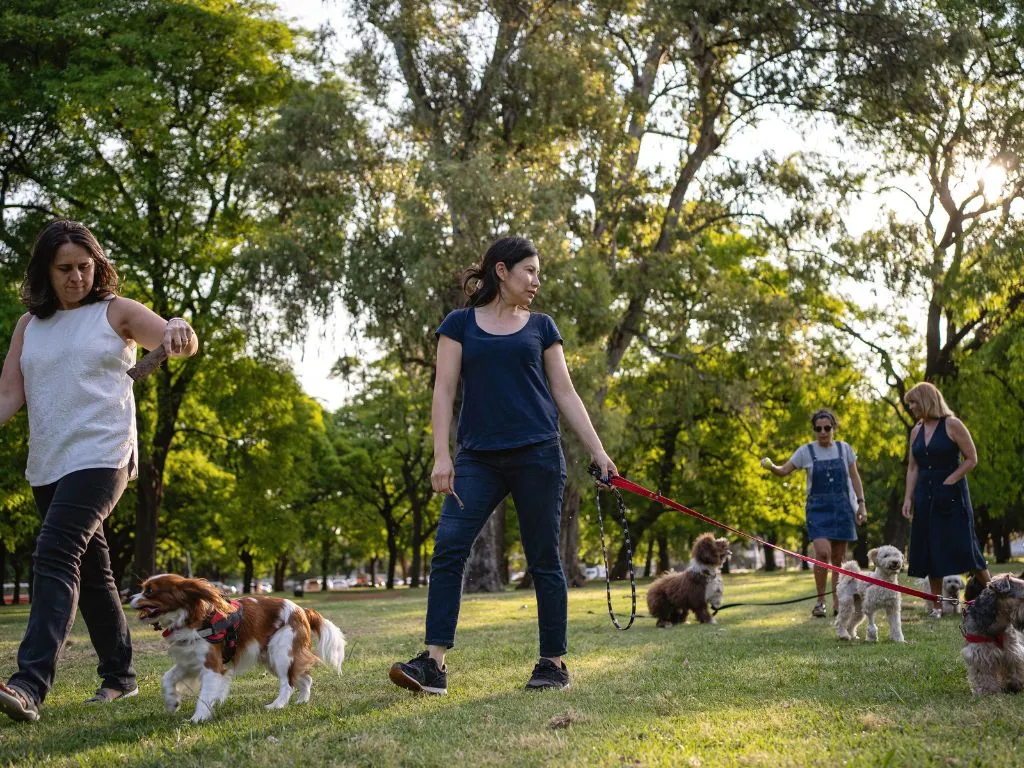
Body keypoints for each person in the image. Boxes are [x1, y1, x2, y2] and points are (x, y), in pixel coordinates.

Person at [388, 236, 616, 695]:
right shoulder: (459, 324)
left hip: (537, 453)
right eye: (529, 271)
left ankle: (552, 663)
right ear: (501, 271)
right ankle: (433, 665)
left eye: (538, 273)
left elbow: (565, 392)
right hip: (477, 458)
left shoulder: (542, 327)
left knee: (544, 559)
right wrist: (441, 455)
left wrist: (598, 451)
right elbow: (444, 392)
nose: (536, 281)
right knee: (450, 548)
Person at [0, 220, 198, 722]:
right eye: (64, 268)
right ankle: (120, 677)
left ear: (98, 266)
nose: (76, 277)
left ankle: (28, 684)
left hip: (103, 454)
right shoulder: (29, 326)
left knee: (55, 551)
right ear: (46, 271)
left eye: (84, 267)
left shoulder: (117, 313)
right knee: (92, 571)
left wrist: (178, 327)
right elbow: (8, 395)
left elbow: (179, 339)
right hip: (49, 461)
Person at [760, 408, 867, 618]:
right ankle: (820, 601)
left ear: (833, 428)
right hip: (817, 509)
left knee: (838, 558)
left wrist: (861, 504)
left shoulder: (845, 450)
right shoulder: (806, 451)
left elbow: (855, 478)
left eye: (827, 428)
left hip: (842, 508)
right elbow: (784, 470)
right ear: (814, 430)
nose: (823, 432)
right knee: (823, 553)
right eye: (818, 429)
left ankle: (837, 601)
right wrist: (771, 466)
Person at [901, 382, 989, 617]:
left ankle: (995, 596)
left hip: (951, 495)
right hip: (924, 495)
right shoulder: (916, 431)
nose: (911, 408)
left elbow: (971, 458)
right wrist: (908, 498)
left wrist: (951, 480)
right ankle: (937, 607)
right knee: (931, 550)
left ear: (927, 400)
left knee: (965, 547)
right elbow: (912, 468)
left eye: (914, 403)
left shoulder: (952, 424)